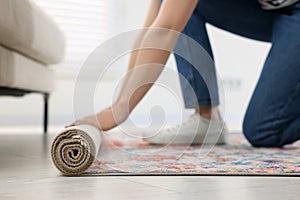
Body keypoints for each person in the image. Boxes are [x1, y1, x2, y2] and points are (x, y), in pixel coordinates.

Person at [67, 0, 300, 148]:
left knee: (263, 131)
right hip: (273, 10)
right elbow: (155, 27)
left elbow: (166, 30)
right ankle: (206, 119)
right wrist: (117, 105)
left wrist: (119, 111)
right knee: (176, 5)